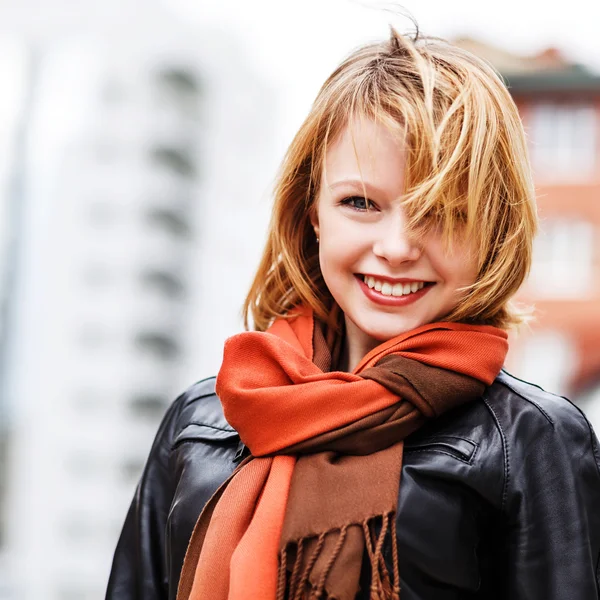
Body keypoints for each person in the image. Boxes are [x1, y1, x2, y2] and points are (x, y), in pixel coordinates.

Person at [105, 28, 600, 600]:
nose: (396, 246)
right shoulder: (203, 419)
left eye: (441, 211)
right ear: (313, 212)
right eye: (360, 203)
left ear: (491, 231)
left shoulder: (529, 440)